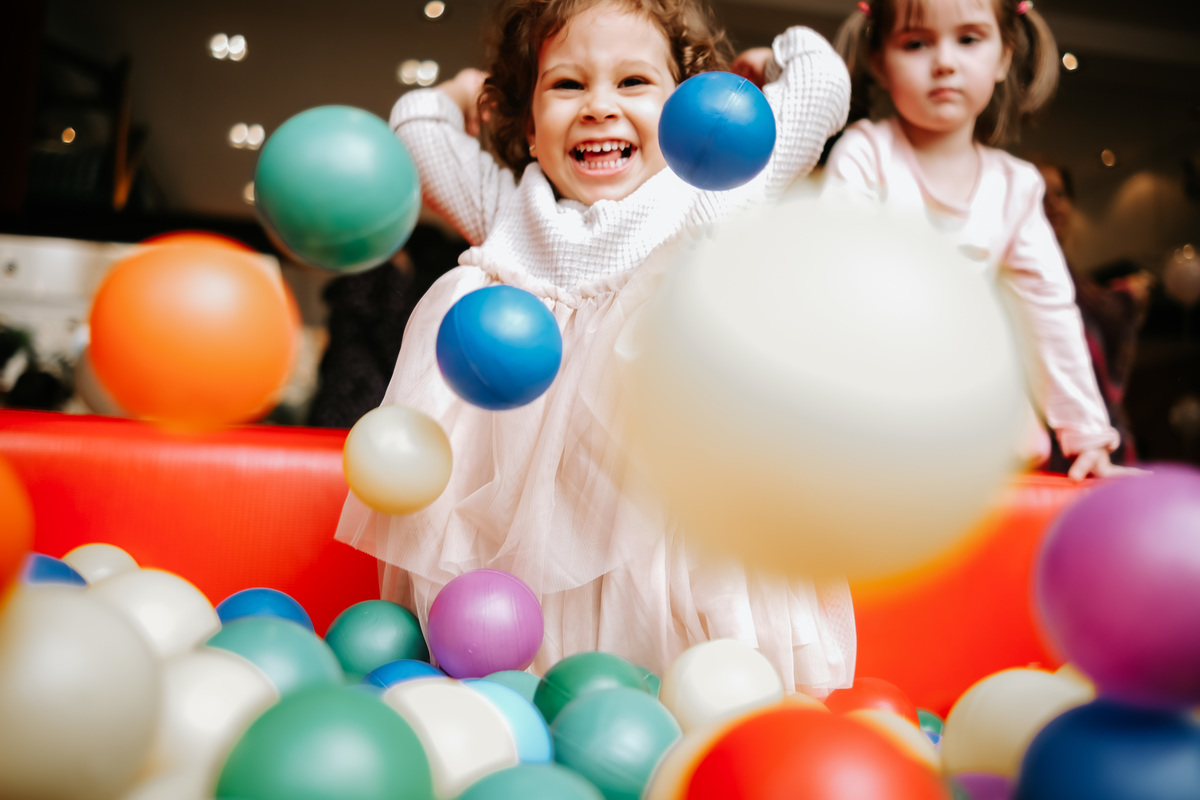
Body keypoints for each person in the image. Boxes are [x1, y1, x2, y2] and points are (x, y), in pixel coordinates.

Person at [335, 0, 856, 693]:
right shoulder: (511, 210)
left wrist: (765, 64)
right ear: (525, 123)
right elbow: (416, 131)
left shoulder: (711, 191)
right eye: (567, 84)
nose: (599, 107)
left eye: (634, 82)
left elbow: (821, 83)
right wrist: (464, 95)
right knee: (533, 668)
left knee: (684, 653)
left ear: (689, 107)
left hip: (667, 524)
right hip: (524, 539)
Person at [826, 0, 1133, 480]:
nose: (944, 61)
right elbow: (836, 282)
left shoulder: (1016, 186)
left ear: (1005, 56)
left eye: (968, 39)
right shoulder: (866, 155)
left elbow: (1048, 310)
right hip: (875, 428)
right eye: (915, 43)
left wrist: (1086, 435)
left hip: (981, 441)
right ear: (879, 62)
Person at [1034, 159, 1152, 468]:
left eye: (1060, 194)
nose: (1054, 205)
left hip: (1100, 430)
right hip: (1049, 439)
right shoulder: (1024, 277)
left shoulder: (1080, 285)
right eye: (1042, 196)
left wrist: (1126, 297)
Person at [307, 224, 466, 429]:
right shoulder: (387, 279)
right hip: (365, 395)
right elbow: (394, 342)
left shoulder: (354, 276)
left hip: (337, 390)